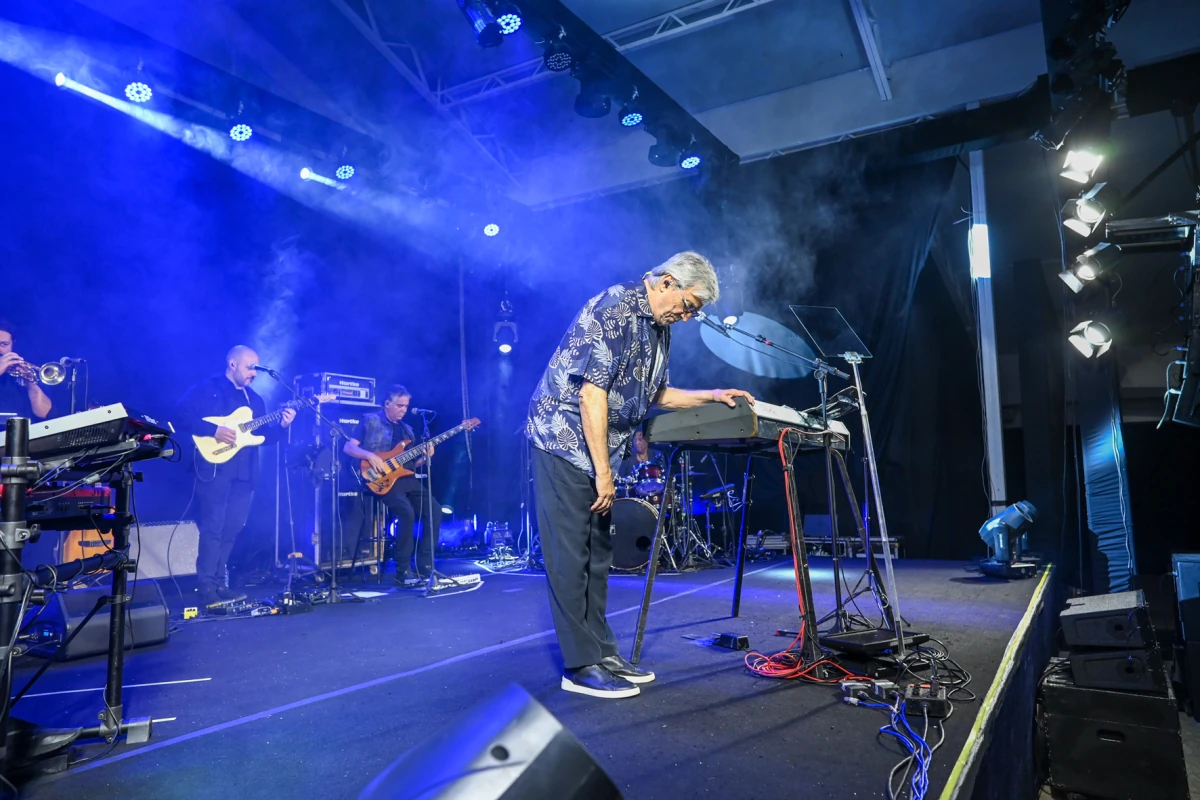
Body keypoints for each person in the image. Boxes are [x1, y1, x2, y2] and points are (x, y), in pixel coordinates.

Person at [526, 251, 755, 699]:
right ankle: (579, 666)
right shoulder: (614, 307)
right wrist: (604, 473)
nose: (686, 317)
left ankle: (601, 652)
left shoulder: (658, 327)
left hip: (597, 449)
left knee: (598, 553)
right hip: (563, 442)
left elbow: (656, 394)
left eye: (693, 312)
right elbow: (592, 396)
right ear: (666, 282)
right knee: (571, 555)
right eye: (687, 306)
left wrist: (712, 395)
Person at [177, 345, 295, 607]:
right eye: (250, 367)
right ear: (232, 364)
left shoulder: (255, 400)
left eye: (256, 368)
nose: (254, 373)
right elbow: (180, 413)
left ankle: (220, 584)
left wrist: (282, 426)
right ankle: (207, 586)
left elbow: (263, 438)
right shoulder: (207, 388)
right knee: (213, 528)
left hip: (245, 473)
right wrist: (213, 430)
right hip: (214, 469)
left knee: (232, 529)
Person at [343, 385, 441, 585]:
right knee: (407, 513)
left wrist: (425, 458)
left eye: (406, 406)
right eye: (399, 405)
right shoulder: (370, 420)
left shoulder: (408, 431)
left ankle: (425, 567)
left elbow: (410, 465)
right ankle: (402, 571)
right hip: (379, 480)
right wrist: (370, 455)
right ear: (387, 403)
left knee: (435, 510)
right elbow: (348, 447)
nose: (404, 410)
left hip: (405, 478)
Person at [0, 320, 52, 420]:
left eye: (4, 344)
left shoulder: (20, 370)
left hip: (20, 429)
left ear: (12, 345)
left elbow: (44, 413)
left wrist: (30, 383)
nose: (0, 349)